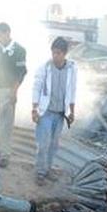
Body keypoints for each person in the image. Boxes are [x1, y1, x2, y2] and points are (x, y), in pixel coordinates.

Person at [32, 37, 77, 186]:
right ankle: (40, 172)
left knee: (54, 144)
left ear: (65, 53)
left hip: (60, 114)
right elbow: (36, 88)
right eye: (53, 52)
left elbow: (72, 90)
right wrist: (34, 109)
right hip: (46, 113)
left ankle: (48, 169)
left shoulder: (71, 69)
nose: (55, 55)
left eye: (58, 53)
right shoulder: (45, 67)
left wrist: (71, 111)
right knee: (43, 144)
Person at [0, 22, 27, 168]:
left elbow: (21, 73)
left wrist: (14, 91)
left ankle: (5, 154)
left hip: (8, 90)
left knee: (5, 124)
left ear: (7, 33)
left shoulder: (19, 50)